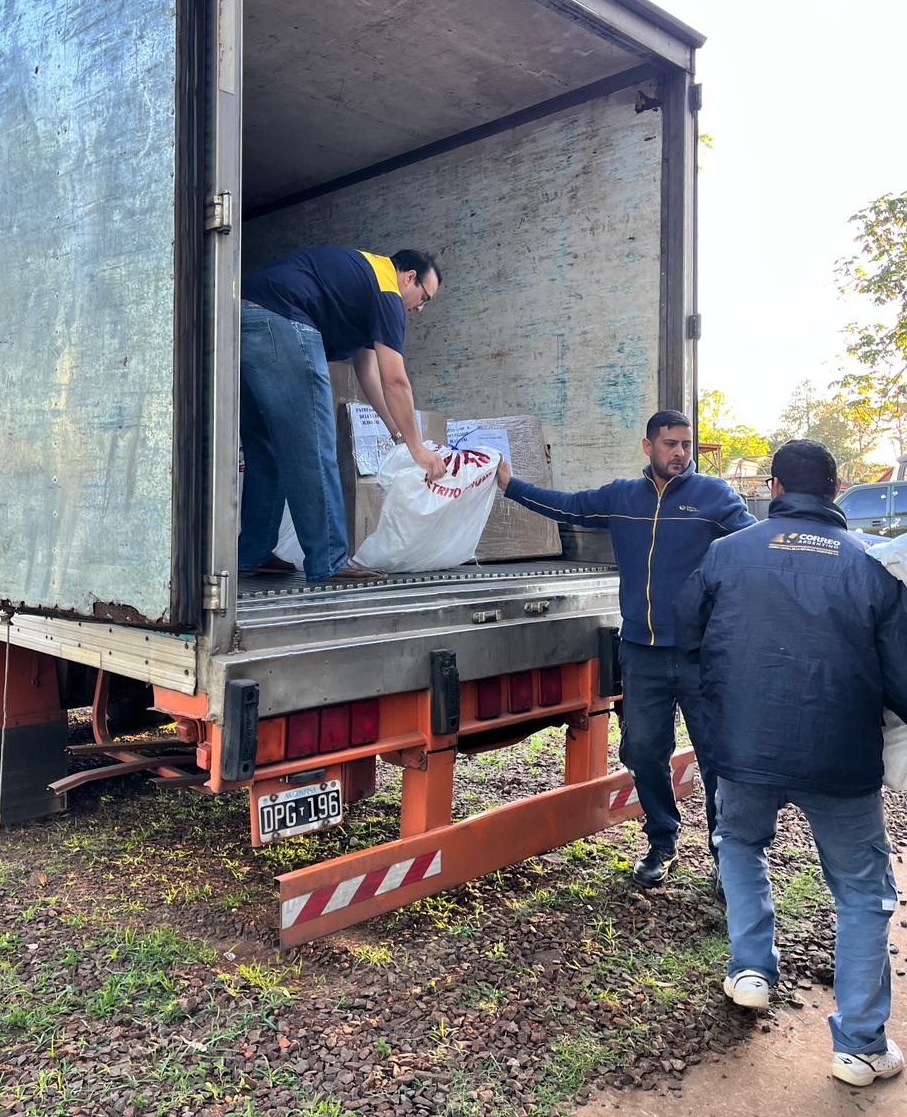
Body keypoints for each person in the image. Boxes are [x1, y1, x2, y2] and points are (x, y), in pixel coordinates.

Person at [674, 440, 907, 1087]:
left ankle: (751, 967)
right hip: (842, 759)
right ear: (834, 493)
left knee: (740, 842)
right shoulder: (870, 567)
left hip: (744, 751)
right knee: (862, 892)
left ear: (773, 489)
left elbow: (684, 633)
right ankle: (860, 1045)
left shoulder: (724, 555)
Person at [497, 409, 754, 890]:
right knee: (642, 750)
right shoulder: (622, 497)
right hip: (642, 652)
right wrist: (512, 485)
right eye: (670, 444)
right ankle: (662, 838)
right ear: (648, 447)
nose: (680, 453)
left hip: (703, 655)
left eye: (686, 444)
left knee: (718, 758)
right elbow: (569, 506)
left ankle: (729, 856)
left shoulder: (714, 496)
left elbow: (751, 546)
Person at [239, 246, 446, 585]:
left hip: (241, 317)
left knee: (267, 450)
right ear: (409, 277)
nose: (420, 309)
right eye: (424, 297)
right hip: (281, 319)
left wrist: (397, 433)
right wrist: (418, 448)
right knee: (314, 447)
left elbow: (371, 376)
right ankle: (330, 559)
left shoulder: (365, 283)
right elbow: (396, 379)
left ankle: (253, 553)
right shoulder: (386, 291)